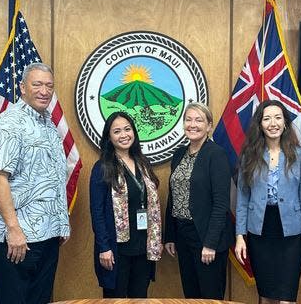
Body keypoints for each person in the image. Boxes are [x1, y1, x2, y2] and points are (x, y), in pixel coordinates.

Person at [0, 63, 70, 304]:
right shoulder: (8, 124)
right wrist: (13, 229)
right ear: (22, 87)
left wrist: (60, 225)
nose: (44, 91)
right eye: (37, 84)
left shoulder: (49, 125)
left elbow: (52, 178)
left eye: (49, 86)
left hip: (47, 236)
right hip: (18, 240)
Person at [235, 100, 301, 304]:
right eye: (267, 118)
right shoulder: (249, 155)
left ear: (285, 123)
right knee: (266, 295)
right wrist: (240, 235)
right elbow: (242, 198)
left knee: (287, 296)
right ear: (260, 124)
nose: (273, 123)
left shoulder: (300, 155)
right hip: (260, 233)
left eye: (278, 117)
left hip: (292, 235)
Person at [164, 102, 234, 299]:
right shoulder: (179, 154)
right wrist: (170, 235)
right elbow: (173, 196)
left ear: (209, 126)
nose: (192, 124)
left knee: (209, 296)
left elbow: (221, 204)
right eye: (188, 119)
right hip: (183, 234)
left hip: (206, 236)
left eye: (199, 120)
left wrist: (210, 243)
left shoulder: (216, 154)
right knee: (191, 295)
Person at [89, 111, 162, 298]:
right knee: (116, 299)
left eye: (128, 129)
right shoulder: (102, 167)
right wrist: (104, 247)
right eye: (117, 131)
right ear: (109, 137)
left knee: (140, 298)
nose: (124, 135)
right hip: (116, 249)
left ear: (134, 133)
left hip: (142, 247)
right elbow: (97, 212)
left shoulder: (143, 163)